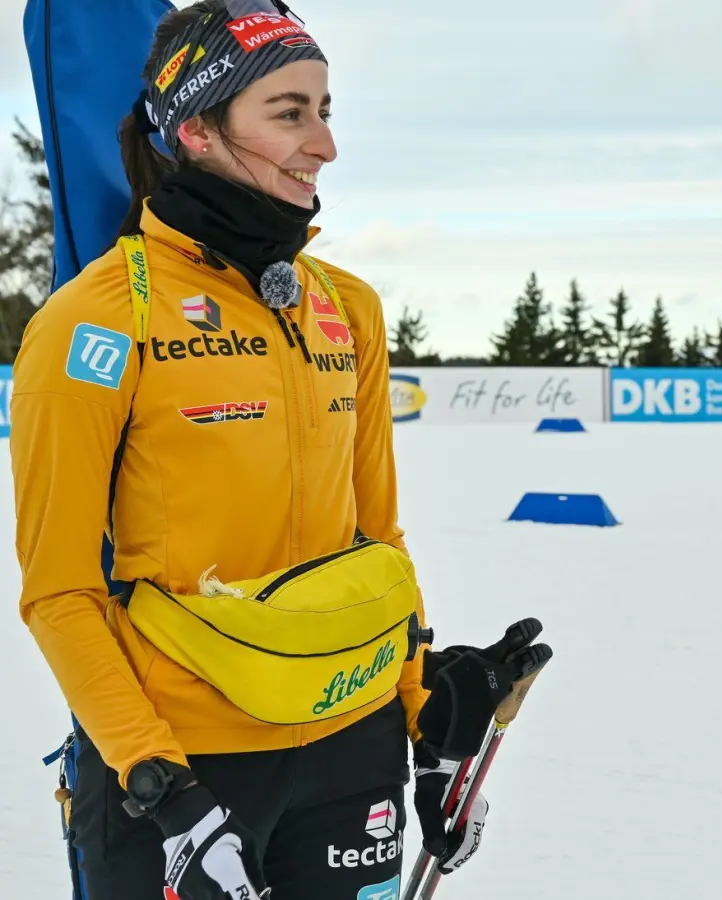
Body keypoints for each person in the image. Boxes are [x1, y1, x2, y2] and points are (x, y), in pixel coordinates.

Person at [10, 3, 547, 898]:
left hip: (352, 755)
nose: (324, 145)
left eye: (326, 110)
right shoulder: (96, 320)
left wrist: (425, 721)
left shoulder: (349, 309)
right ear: (198, 130)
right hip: (184, 771)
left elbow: (378, 544)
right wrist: (160, 787)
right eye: (289, 112)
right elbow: (59, 594)